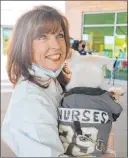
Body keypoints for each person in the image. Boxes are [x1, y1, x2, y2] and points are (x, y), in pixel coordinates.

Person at [1, 5, 71, 157]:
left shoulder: (51, 80)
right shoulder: (30, 98)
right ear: (24, 45)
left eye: (59, 35)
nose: (56, 46)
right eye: (42, 37)